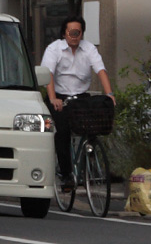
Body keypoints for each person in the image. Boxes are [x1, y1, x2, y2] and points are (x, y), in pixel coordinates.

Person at [40, 15, 115, 188]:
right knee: (63, 131)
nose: (74, 36)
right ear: (64, 33)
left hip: (80, 97)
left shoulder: (88, 48)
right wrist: (53, 98)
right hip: (60, 96)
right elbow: (48, 74)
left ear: (82, 33)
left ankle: (90, 162)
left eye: (78, 32)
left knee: (95, 124)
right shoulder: (54, 49)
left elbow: (100, 70)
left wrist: (110, 93)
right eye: (71, 32)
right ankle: (66, 175)